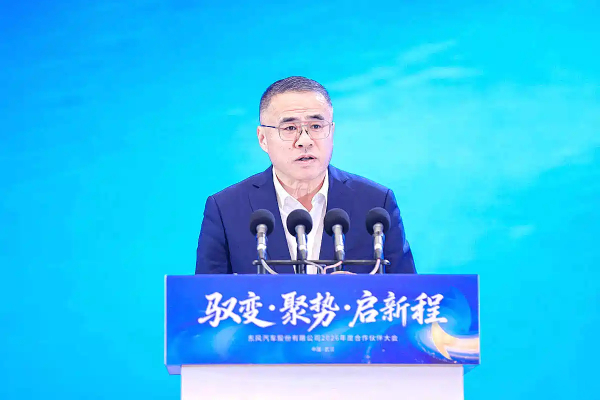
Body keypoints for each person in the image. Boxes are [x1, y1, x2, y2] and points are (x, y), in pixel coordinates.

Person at [195, 76, 416, 274]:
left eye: (316, 126)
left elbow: (409, 296)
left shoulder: (376, 203)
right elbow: (205, 299)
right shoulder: (226, 208)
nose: (305, 140)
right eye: (290, 128)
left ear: (331, 131)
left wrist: (358, 294)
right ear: (262, 138)